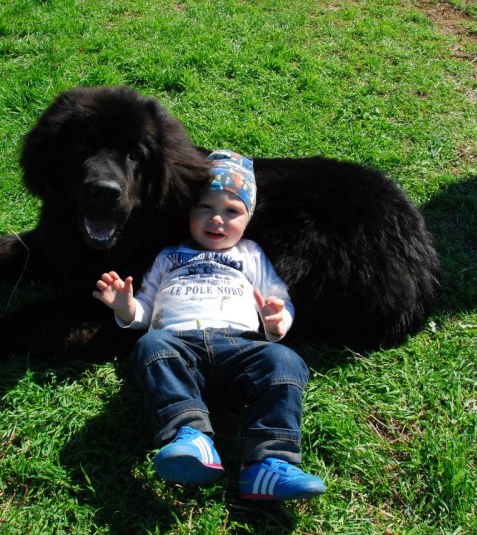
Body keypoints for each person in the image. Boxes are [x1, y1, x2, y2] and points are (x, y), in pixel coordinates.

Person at [92, 150, 325, 501]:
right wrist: (126, 308)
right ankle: (191, 437)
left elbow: (279, 297)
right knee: (151, 347)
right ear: (189, 212)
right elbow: (145, 312)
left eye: (232, 211)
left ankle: (269, 464)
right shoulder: (168, 256)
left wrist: (278, 322)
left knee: (285, 361)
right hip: (179, 344)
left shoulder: (250, 254)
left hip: (241, 348)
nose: (217, 220)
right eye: (205, 208)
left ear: (248, 217)